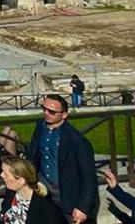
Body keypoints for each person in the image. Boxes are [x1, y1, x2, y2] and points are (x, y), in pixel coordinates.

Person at [27, 94, 98, 224]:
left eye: (52, 112)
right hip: (44, 195)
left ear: (64, 115)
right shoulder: (40, 127)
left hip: (69, 198)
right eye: (44, 109)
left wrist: (83, 207)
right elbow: (33, 156)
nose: (46, 113)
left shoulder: (77, 140)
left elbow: (89, 177)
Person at [0, 155, 67, 223]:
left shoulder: (45, 207)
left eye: (5, 173)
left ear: (21, 181)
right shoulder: (11, 193)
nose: (1, 175)